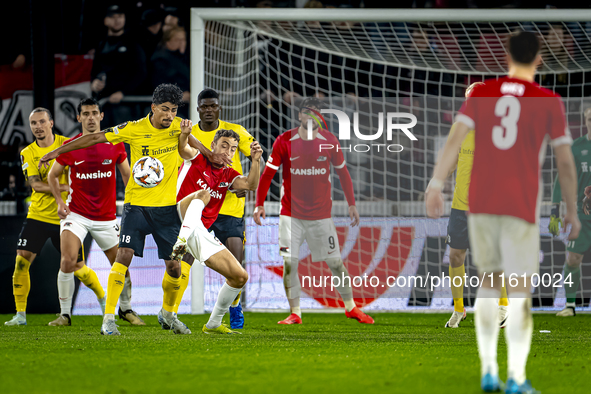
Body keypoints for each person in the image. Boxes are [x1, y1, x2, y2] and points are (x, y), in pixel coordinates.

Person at [426, 31, 580, 393]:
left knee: (489, 282)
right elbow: (565, 162)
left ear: (506, 54)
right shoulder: (546, 100)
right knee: (518, 289)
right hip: (518, 206)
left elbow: (452, 141)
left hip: (480, 204)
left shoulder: (483, 98)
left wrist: (435, 184)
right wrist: (571, 208)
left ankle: (489, 370)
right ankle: (517, 377)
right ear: (539, 58)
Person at [39, 84, 231, 336]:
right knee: (124, 256)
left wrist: (211, 156)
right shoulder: (133, 128)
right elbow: (94, 137)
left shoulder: (178, 126)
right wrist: (56, 151)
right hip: (137, 207)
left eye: (173, 110)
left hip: (166, 210)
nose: (169, 116)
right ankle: (108, 319)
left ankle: (168, 314)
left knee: (175, 267)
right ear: (153, 107)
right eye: (164, 110)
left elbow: (197, 146)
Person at [253, 97, 373, 325]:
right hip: (291, 215)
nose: (311, 116)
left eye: (316, 112)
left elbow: (344, 174)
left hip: (321, 216)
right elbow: (268, 174)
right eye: (307, 112)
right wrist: (259, 203)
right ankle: (295, 312)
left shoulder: (329, 141)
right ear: (299, 116)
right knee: (290, 263)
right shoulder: (284, 140)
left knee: (336, 264)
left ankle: (351, 307)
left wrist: (352, 204)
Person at [46, 98, 143, 326]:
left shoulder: (115, 144)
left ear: (101, 116)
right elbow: (52, 175)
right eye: (85, 114)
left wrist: (133, 203)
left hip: (106, 217)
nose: (90, 118)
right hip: (76, 215)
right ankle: (65, 315)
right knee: (68, 261)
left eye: (94, 113)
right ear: (79, 118)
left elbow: (127, 175)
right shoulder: (71, 145)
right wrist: (60, 203)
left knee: (121, 264)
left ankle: (126, 309)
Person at [174, 88, 256, 329]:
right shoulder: (191, 133)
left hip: (229, 206)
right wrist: (207, 153)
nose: (209, 110)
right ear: (198, 108)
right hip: (194, 207)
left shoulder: (236, 131)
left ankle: (233, 309)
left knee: (237, 264)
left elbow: (253, 156)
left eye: (213, 106)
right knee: (183, 260)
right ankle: (171, 311)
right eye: (204, 107)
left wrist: (243, 184)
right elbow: (184, 146)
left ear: (219, 108)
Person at [4, 108, 84, 326]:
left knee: (79, 268)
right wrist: (62, 186)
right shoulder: (27, 152)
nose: (37, 127)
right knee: (21, 262)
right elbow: (35, 185)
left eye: (41, 122)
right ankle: (20, 315)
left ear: (51, 123)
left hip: (66, 215)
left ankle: (104, 301)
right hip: (38, 216)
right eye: (33, 124)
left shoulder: (67, 144)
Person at [443, 82, 510, 329]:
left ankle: (503, 305)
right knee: (455, 256)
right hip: (460, 206)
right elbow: (450, 161)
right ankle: (459, 310)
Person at [549, 106, 591, 317]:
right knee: (572, 259)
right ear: (586, 121)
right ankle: (570, 305)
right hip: (583, 216)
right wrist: (555, 209)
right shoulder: (576, 148)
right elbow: (562, 178)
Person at [90, 5, 147, 125]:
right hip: (103, 103)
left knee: (123, 141)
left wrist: (123, 93)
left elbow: (141, 73)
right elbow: (95, 71)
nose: (117, 20)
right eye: (113, 17)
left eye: (120, 16)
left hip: (125, 104)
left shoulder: (133, 44)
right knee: (102, 141)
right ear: (105, 20)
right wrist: (94, 84)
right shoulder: (101, 45)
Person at [151, 27, 189, 104]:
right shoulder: (160, 59)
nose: (181, 43)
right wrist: (178, 94)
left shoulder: (185, 58)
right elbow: (161, 82)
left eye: (183, 40)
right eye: (177, 40)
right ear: (167, 42)